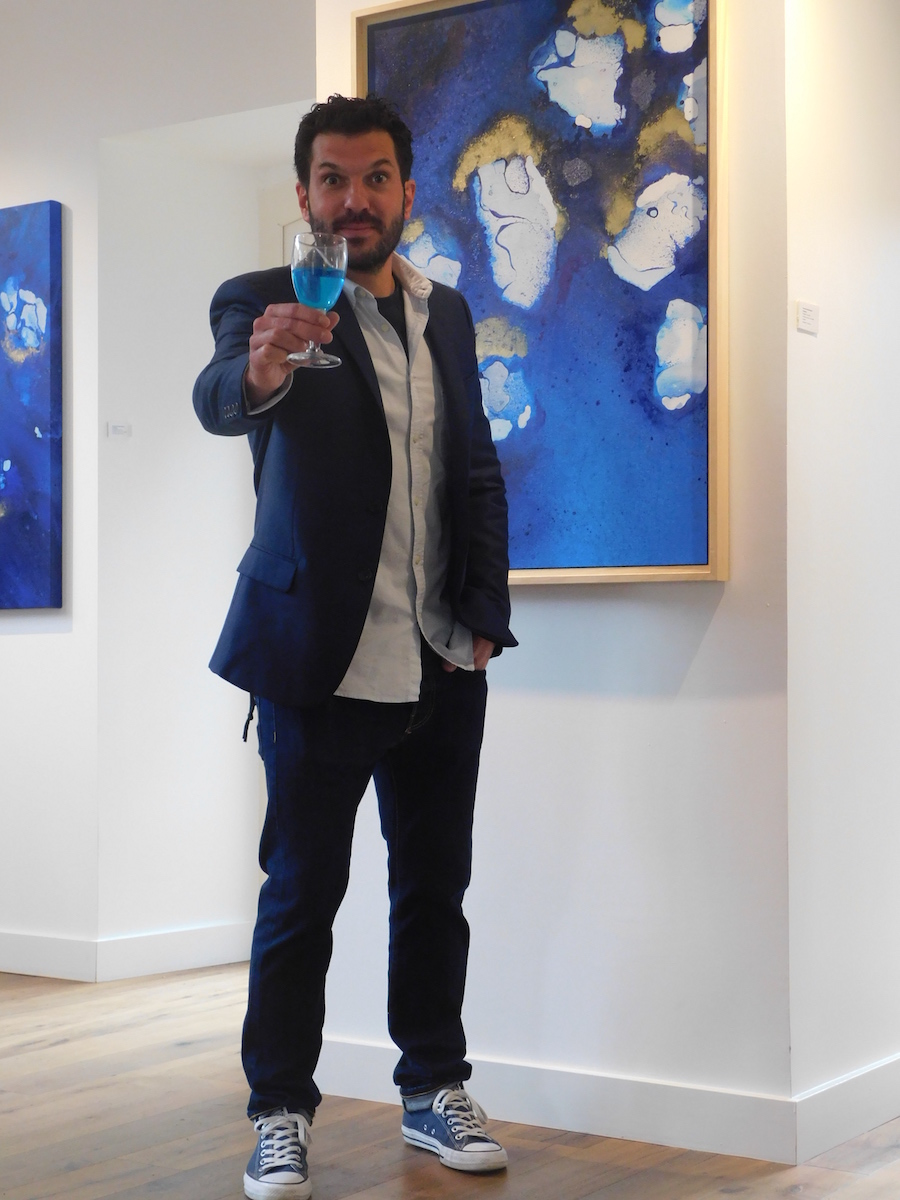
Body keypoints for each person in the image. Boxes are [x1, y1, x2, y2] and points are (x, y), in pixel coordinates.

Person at [193, 94, 516, 1200]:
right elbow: (220, 397)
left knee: (434, 889)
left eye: (375, 178)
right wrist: (263, 371)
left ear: (406, 192)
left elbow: (474, 467)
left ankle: (433, 1089)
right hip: (315, 662)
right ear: (304, 195)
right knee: (300, 895)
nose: (355, 200)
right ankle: (279, 1112)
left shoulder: (449, 314)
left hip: (440, 657)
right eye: (332, 179)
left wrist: (484, 617)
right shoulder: (264, 302)